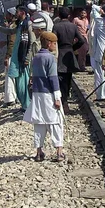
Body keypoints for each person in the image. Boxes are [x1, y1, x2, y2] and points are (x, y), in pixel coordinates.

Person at [23, 31, 65, 162]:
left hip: (37, 94)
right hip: (48, 94)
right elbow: (53, 79)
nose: (55, 46)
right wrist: (57, 97)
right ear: (49, 43)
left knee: (39, 122)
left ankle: (39, 153)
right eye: (54, 43)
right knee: (55, 122)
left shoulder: (36, 57)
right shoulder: (50, 58)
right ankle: (59, 152)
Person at [0, 6, 35, 113]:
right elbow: (10, 31)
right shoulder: (20, 25)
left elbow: (31, 43)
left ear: (22, 12)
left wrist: (27, 58)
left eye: (17, 12)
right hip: (17, 57)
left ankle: (27, 106)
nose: (15, 14)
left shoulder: (28, 25)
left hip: (23, 58)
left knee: (23, 83)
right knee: (18, 83)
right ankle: (23, 105)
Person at [52, 7, 85, 113]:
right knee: (68, 79)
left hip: (60, 54)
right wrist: (73, 48)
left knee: (60, 80)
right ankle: (65, 100)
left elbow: (53, 41)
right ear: (69, 16)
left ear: (59, 16)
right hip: (69, 54)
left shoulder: (56, 26)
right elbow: (81, 40)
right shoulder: (73, 26)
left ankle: (62, 100)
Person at [89, 0, 105, 102]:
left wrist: (97, 6)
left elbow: (93, 8)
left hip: (100, 52)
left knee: (99, 74)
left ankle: (102, 95)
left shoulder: (100, 22)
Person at [0, 8, 18, 106]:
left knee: (10, 76)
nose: (6, 16)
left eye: (7, 14)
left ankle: (10, 98)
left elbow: (12, 43)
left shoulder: (12, 26)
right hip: (15, 54)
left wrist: (7, 57)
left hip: (12, 55)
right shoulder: (15, 25)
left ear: (11, 15)